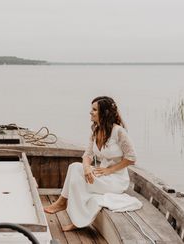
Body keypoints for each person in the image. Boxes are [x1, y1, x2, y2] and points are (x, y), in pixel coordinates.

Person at [43, 96, 137, 231]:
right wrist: (87, 168)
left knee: (77, 178)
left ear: (104, 113)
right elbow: (87, 154)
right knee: (75, 167)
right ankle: (65, 206)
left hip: (115, 180)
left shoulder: (118, 132)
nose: (90, 112)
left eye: (94, 110)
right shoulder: (96, 129)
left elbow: (132, 158)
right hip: (102, 175)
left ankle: (64, 205)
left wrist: (110, 170)